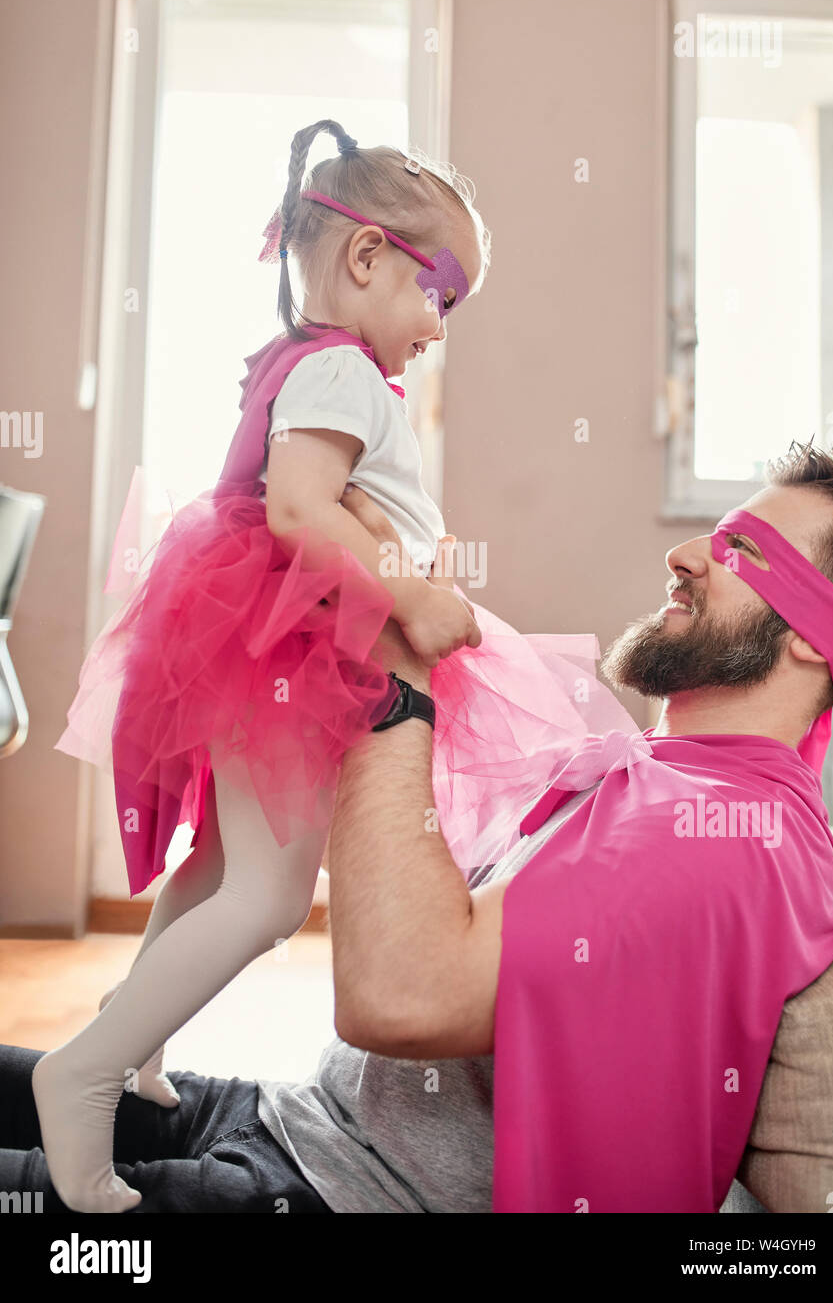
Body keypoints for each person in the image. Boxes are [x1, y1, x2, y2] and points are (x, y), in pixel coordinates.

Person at [2, 442, 833, 1213]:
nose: (683, 556)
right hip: (289, 1121)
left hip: (327, 1192)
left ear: (816, 639)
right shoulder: (670, 782)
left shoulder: (720, 832)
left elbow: (401, 996)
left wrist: (393, 682)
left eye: (742, 550)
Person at [32, 120, 631, 1213]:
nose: (437, 327)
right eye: (438, 295)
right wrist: (404, 591)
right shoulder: (345, 371)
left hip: (260, 632)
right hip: (290, 642)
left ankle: (136, 1041)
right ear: (367, 261)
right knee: (265, 898)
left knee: (218, 865)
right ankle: (82, 1071)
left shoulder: (306, 362)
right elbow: (302, 508)